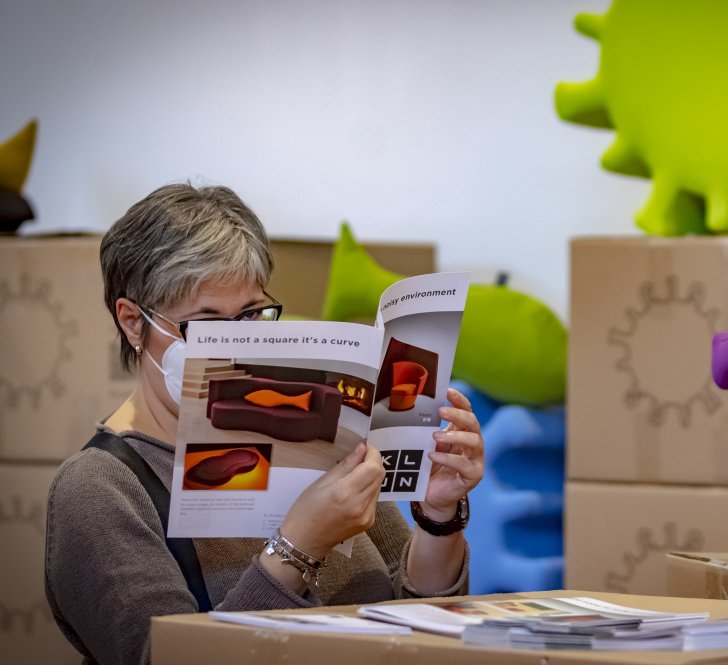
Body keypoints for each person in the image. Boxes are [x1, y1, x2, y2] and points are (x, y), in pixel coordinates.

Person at [44, 184, 484, 665]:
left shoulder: (311, 432)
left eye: (252, 314)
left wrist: (438, 517)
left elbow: (417, 621)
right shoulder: (99, 487)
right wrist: (299, 545)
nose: (237, 343)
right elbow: (160, 657)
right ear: (133, 322)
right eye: (208, 323)